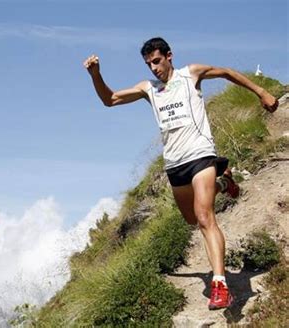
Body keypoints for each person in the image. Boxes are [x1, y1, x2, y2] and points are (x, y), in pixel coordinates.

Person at [83, 37, 279, 310]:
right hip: (175, 165)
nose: (154, 68)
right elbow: (110, 99)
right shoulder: (148, 89)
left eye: (157, 61)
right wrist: (96, 75)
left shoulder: (192, 74)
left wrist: (260, 91)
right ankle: (224, 181)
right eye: (149, 64)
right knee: (190, 218)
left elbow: (227, 73)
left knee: (204, 217)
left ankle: (220, 286)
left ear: (169, 56)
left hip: (200, 155)